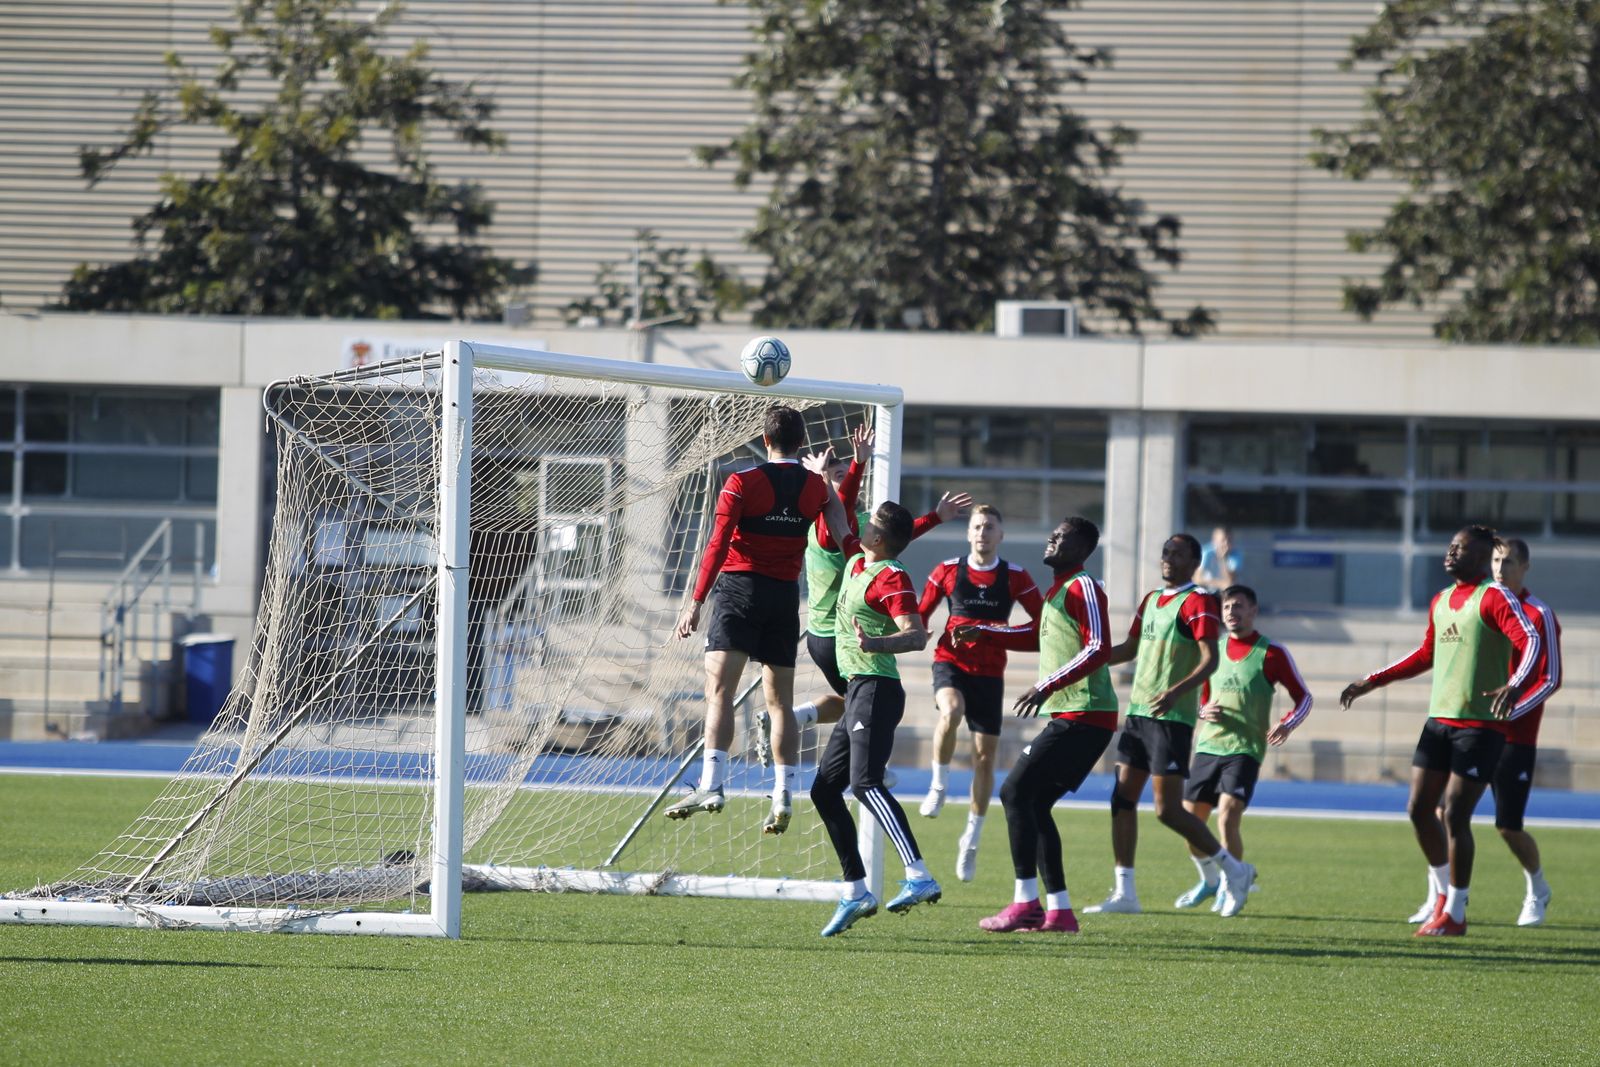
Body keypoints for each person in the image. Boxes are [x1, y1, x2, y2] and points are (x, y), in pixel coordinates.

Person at [1339, 525, 1540, 937]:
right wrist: (1372, 680)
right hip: (1439, 722)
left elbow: (1532, 640)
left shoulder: (1495, 597)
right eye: (1450, 547)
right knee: (1417, 809)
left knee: (1454, 815)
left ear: (1482, 557)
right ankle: (1442, 895)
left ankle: (1457, 912)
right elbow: (1426, 653)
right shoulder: (1442, 600)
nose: (1450, 553)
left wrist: (1516, 682)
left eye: (1460, 549)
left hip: (1480, 727)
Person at [668, 404, 830, 835]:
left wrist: (695, 601)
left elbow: (718, 545)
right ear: (801, 443)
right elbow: (838, 531)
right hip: (783, 597)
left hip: (739, 592)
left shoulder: (741, 482)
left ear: (765, 440)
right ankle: (782, 795)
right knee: (780, 705)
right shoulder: (816, 488)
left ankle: (713, 785)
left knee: (720, 691)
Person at [951, 516, 1116, 934]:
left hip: (1085, 712)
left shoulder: (1084, 587)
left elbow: (1099, 647)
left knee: (1013, 791)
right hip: (1073, 713)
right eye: (1053, 533)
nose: (1051, 538)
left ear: (1081, 548)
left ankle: (1026, 903)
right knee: (1033, 803)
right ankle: (1059, 912)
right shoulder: (1058, 591)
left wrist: (1046, 685)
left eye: (1061, 536)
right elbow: (1035, 635)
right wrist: (983, 630)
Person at [1084, 533, 1257, 917]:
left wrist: (1177, 692)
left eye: (1178, 554)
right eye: (1165, 551)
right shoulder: (1150, 600)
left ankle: (1234, 869)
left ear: (1195, 562)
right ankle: (1125, 892)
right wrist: (1086, 663)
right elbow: (1130, 649)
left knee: (1168, 811)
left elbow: (1210, 659)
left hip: (1170, 719)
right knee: (1122, 798)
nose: (1168, 558)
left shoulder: (1198, 602)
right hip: (1139, 715)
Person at [785, 426, 969, 754]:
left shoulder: (859, 523)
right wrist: (856, 464)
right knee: (873, 705)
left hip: (836, 636)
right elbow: (841, 505)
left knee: (858, 705)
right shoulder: (825, 526)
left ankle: (799, 718)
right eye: (836, 474)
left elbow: (893, 536)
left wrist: (936, 518)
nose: (847, 480)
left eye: (845, 473)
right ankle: (869, 772)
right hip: (833, 636)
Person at [811, 498, 943, 937]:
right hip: (858, 693)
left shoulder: (893, 577)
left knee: (865, 782)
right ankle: (855, 891)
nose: (862, 524)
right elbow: (835, 517)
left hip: (876, 690)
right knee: (825, 791)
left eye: (871, 523)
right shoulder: (856, 562)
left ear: (880, 538)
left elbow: (917, 636)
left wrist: (876, 645)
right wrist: (825, 482)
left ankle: (919, 875)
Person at [915, 504, 1044, 883]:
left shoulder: (1016, 576)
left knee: (985, 758)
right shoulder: (947, 570)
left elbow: (1041, 624)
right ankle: (938, 785)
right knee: (950, 711)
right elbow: (921, 613)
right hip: (949, 662)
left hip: (990, 671)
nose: (982, 533)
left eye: (989, 527)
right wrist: (914, 630)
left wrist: (1000, 634)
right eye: (976, 526)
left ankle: (971, 837)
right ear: (968, 533)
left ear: (1001, 535)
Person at [1174, 584, 1312, 911]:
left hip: (1244, 749)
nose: (1231, 613)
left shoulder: (1272, 653)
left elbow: (1303, 697)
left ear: (1253, 611)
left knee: (1228, 816)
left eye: (1238, 606)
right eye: (1226, 608)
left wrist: (1286, 723)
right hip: (1209, 747)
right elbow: (1200, 698)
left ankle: (1232, 882)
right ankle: (1209, 880)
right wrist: (1202, 711)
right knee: (1190, 826)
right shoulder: (1212, 650)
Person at [1454, 537, 1560, 927]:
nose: (1501, 569)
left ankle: (1537, 887)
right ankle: (1446, 902)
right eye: (1497, 560)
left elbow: (1550, 679)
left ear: (1525, 567)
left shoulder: (1538, 613)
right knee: (1445, 812)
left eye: (1510, 562)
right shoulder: (1483, 606)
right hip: (1475, 731)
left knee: (1508, 827)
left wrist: (1510, 708)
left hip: (1514, 737)